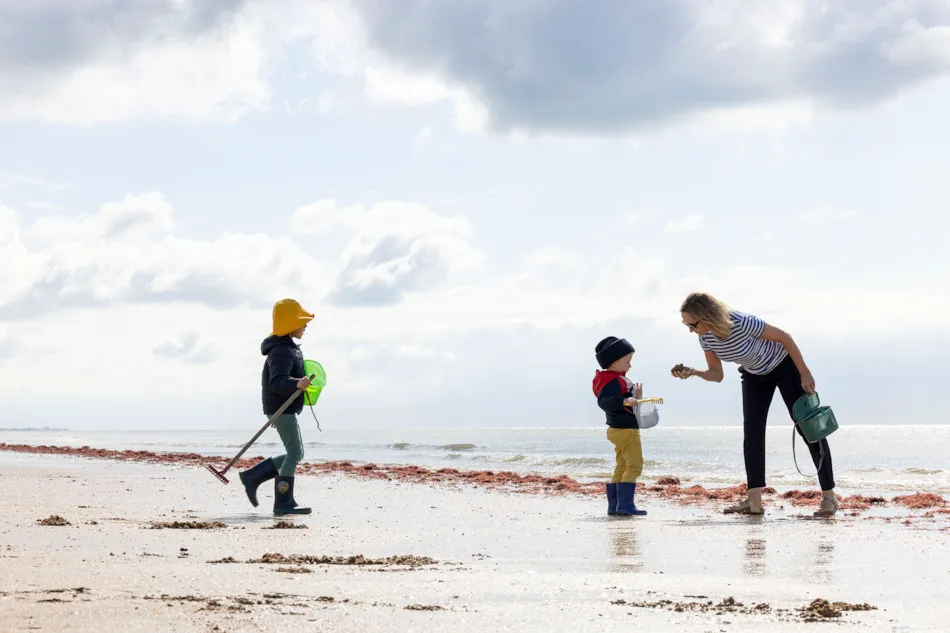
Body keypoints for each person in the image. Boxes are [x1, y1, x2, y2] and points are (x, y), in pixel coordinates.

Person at [672, 292, 838, 516]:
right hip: (754, 376)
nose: (690, 329)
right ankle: (754, 501)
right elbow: (716, 374)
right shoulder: (706, 338)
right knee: (752, 433)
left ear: (707, 316)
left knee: (808, 428)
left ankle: (828, 497)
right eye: (686, 324)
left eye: (692, 324)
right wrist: (693, 372)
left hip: (785, 367)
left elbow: (785, 337)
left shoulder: (740, 322)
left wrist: (804, 372)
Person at [238, 298, 315, 516]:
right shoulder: (280, 350)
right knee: (295, 453)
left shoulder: (287, 347)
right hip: (281, 406)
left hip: (283, 407)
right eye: (302, 321)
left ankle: (253, 476)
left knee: (296, 452)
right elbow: (277, 382)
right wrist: (296, 383)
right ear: (290, 323)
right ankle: (283, 502)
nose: (306, 325)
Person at [593, 336, 648, 516]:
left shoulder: (614, 380)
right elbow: (605, 401)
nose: (630, 365)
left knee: (622, 465)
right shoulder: (612, 381)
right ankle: (625, 505)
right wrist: (625, 400)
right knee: (634, 465)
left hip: (617, 429)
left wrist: (636, 397)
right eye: (627, 361)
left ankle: (614, 506)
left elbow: (622, 401)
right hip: (625, 430)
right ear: (614, 362)